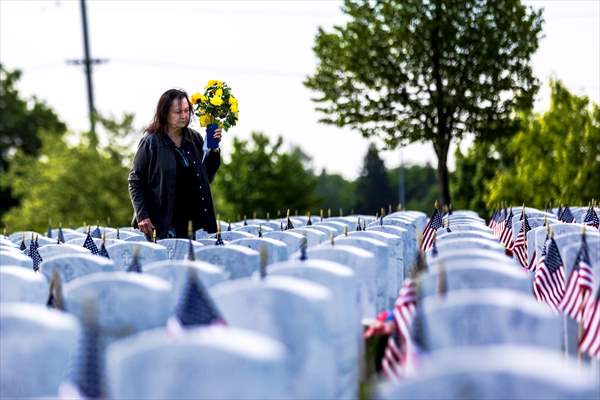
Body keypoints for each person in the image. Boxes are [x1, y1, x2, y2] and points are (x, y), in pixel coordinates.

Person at [128, 88, 222, 239]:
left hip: (195, 223)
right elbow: (135, 180)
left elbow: (207, 176)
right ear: (165, 113)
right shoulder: (150, 141)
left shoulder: (195, 138)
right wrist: (142, 215)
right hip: (162, 224)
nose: (184, 116)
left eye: (187, 110)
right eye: (178, 112)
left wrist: (214, 148)